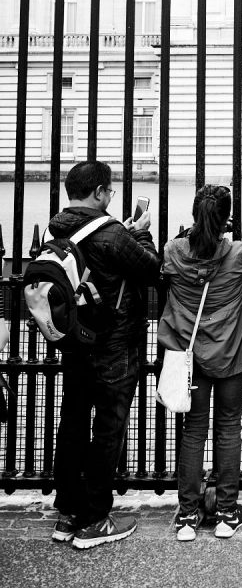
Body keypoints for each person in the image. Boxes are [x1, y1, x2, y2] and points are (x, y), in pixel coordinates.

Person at [50, 161, 160, 549]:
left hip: (76, 342)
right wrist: (142, 235)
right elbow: (152, 270)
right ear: (98, 192)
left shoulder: (57, 227)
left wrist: (123, 236)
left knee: (73, 424)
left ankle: (67, 512)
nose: (110, 197)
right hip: (113, 343)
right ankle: (95, 518)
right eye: (110, 192)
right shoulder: (113, 233)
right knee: (109, 429)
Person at [158, 184, 242, 542]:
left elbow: (165, 279)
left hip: (190, 355)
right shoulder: (237, 252)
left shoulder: (174, 250)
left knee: (193, 430)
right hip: (231, 352)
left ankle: (188, 515)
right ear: (225, 218)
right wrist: (240, 236)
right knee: (228, 427)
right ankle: (226, 513)